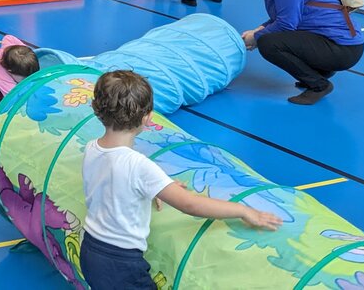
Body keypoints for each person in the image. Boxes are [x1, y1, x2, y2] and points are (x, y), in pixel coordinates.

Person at [80, 71, 279, 290]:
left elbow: (114, 183)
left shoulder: (91, 148)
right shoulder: (138, 165)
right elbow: (189, 204)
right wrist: (242, 210)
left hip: (90, 250)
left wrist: (156, 188)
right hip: (121, 262)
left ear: (95, 108)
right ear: (147, 118)